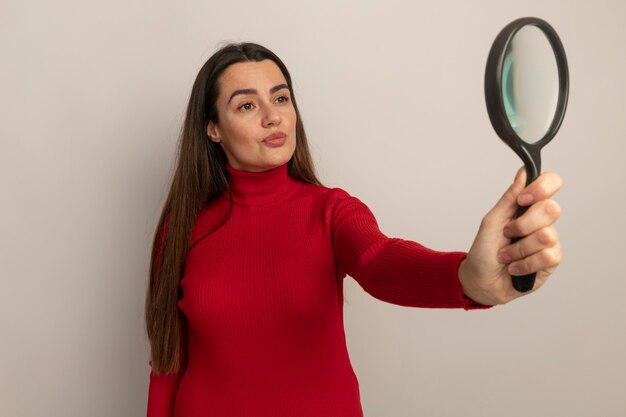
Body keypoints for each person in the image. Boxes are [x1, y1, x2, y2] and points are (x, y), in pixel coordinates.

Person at [144, 42, 562, 417]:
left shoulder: (331, 211)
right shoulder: (183, 229)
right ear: (212, 128)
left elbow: (380, 261)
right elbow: (168, 364)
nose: (273, 116)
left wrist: (468, 278)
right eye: (247, 106)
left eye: (281, 98)